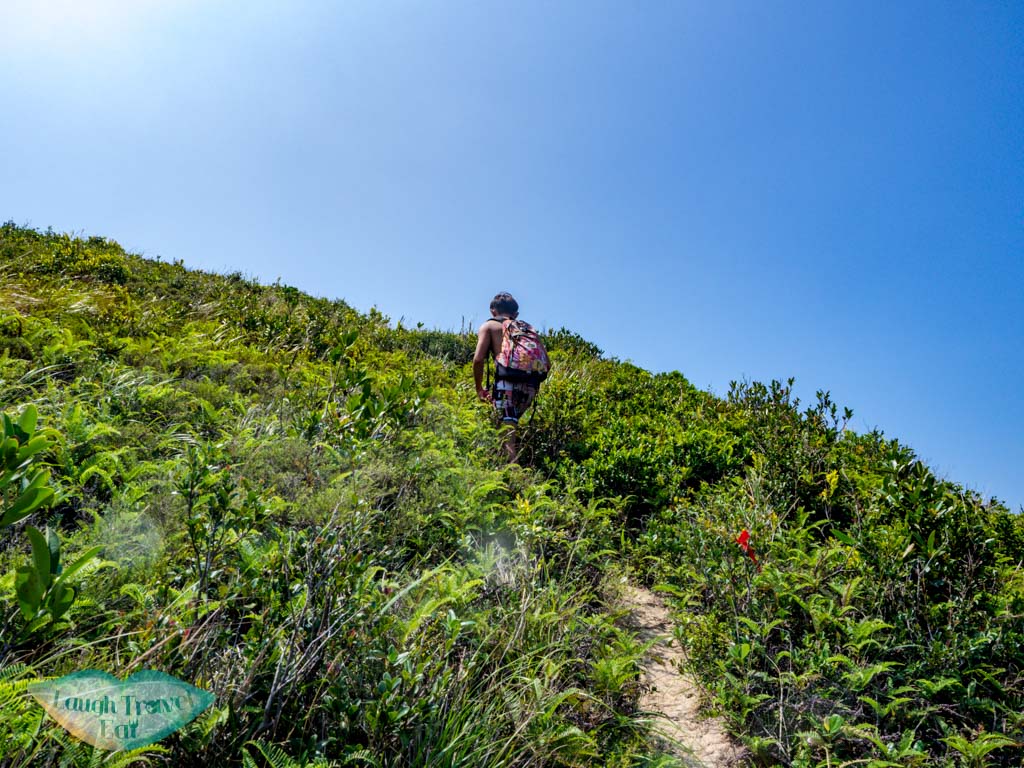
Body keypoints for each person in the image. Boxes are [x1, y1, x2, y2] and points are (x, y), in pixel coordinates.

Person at [473, 292, 540, 461]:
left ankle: (513, 471)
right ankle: (499, 464)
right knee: (507, 426)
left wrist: (479, 389)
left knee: (507, 433)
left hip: (506, 384)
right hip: (531, 385)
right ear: (515, 314)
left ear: (492, 310)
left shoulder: (489, 326)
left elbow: (478, 359)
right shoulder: (526, 329)